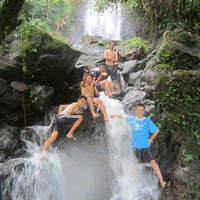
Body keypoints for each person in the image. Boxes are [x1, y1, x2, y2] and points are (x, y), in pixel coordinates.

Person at [111, 103, 170, 188]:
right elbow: (123, 116)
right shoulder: (132, 119)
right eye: (138, 110)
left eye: (141, 110)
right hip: (135, 147)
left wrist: (151, 139)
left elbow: (156, 131)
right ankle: (133, 185)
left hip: (145, 147)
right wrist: (114, 115)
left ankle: (162, 182)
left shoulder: (147, 121)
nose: (139, 112)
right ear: (135, 110)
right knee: (134, 166)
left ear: (144, 111)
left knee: (154, 163)